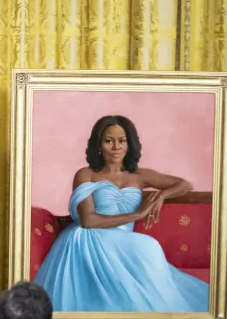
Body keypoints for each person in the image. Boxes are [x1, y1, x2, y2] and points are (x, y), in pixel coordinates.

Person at [33, 115, 209, 312]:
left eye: (121, 140)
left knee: (147, 249)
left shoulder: (140, 175)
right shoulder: (86, 174)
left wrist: (161, 196)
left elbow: (185, 184)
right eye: (109, 141)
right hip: (86, 240)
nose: (116, 147)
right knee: (147, 246)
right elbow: (88, 221)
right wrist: (138, 214)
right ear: (99, 144)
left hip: (122, 240)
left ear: (129, 144)